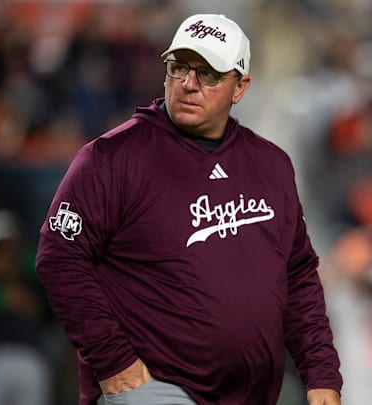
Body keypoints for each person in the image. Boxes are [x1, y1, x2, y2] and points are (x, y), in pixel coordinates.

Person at [35, 13, 342, 405]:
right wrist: (115, 363)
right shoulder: (113, 157)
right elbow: (59, 257)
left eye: (208, 73)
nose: (188, 84)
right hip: (156, 387)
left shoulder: (271, 164)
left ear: (240, 87)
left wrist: (321, 375)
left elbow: (298, 277)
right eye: (178, 67)